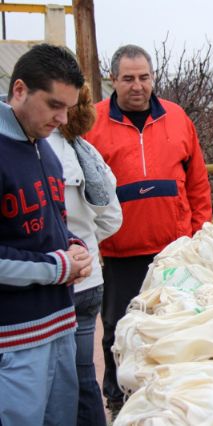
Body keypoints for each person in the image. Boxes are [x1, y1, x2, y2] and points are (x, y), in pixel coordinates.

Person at [83, 44, 213, 414]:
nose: (137, 86)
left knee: (176, 325)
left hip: (173, 250)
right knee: (119, 328)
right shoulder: (92, 124)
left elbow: (198, 183)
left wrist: (199, 235)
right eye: (128, 79)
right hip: (119, 253)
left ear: (153, 77)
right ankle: (118, 397)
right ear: (113, 80)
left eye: (144, 77)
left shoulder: (176, 117)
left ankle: (174, 394)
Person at [0, 43, 93, 425]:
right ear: (19, 90)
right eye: (54, 105)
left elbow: (49, 224)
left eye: (68, 107)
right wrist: (56, 267)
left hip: (59, 324)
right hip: (15, 341)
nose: (62, 117)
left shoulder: (46, 148)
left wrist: (74, 246)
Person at [48, 82, 123, 426]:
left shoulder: (35, 150)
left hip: (51, 280)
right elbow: (112, 218)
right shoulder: (87, 153)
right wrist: (86, 241)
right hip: (89, 278)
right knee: (83, 376)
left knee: (49, 382)